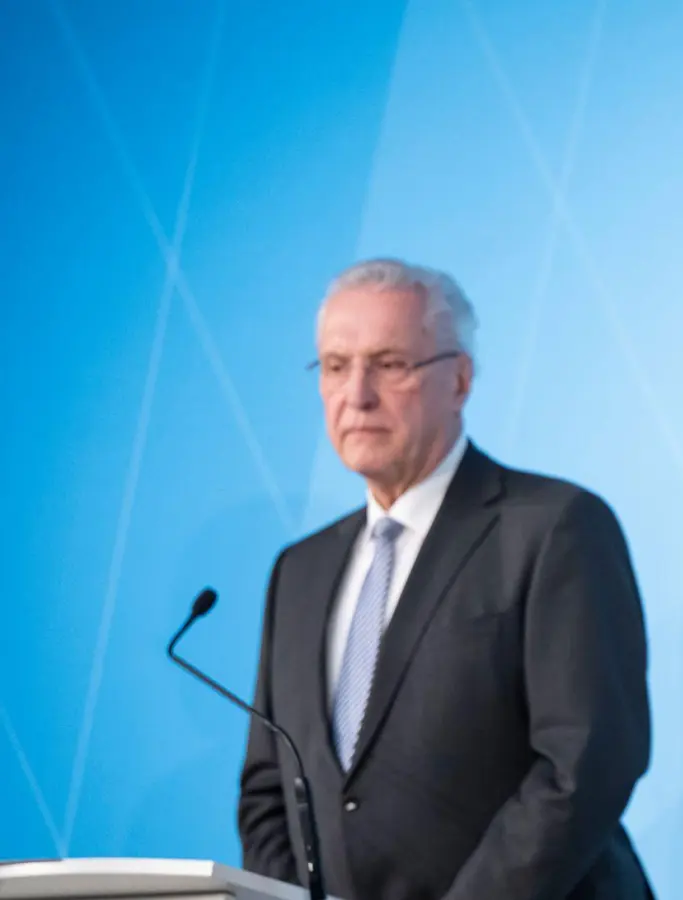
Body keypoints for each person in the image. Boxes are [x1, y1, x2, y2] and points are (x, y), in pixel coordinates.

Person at [238, 259, 653, 900]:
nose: (357, 394)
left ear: (458, 379)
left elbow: (585, 764)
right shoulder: (299, 570)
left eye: (390, 364)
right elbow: (270, 788)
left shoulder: (554, 529)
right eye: (335, 366)